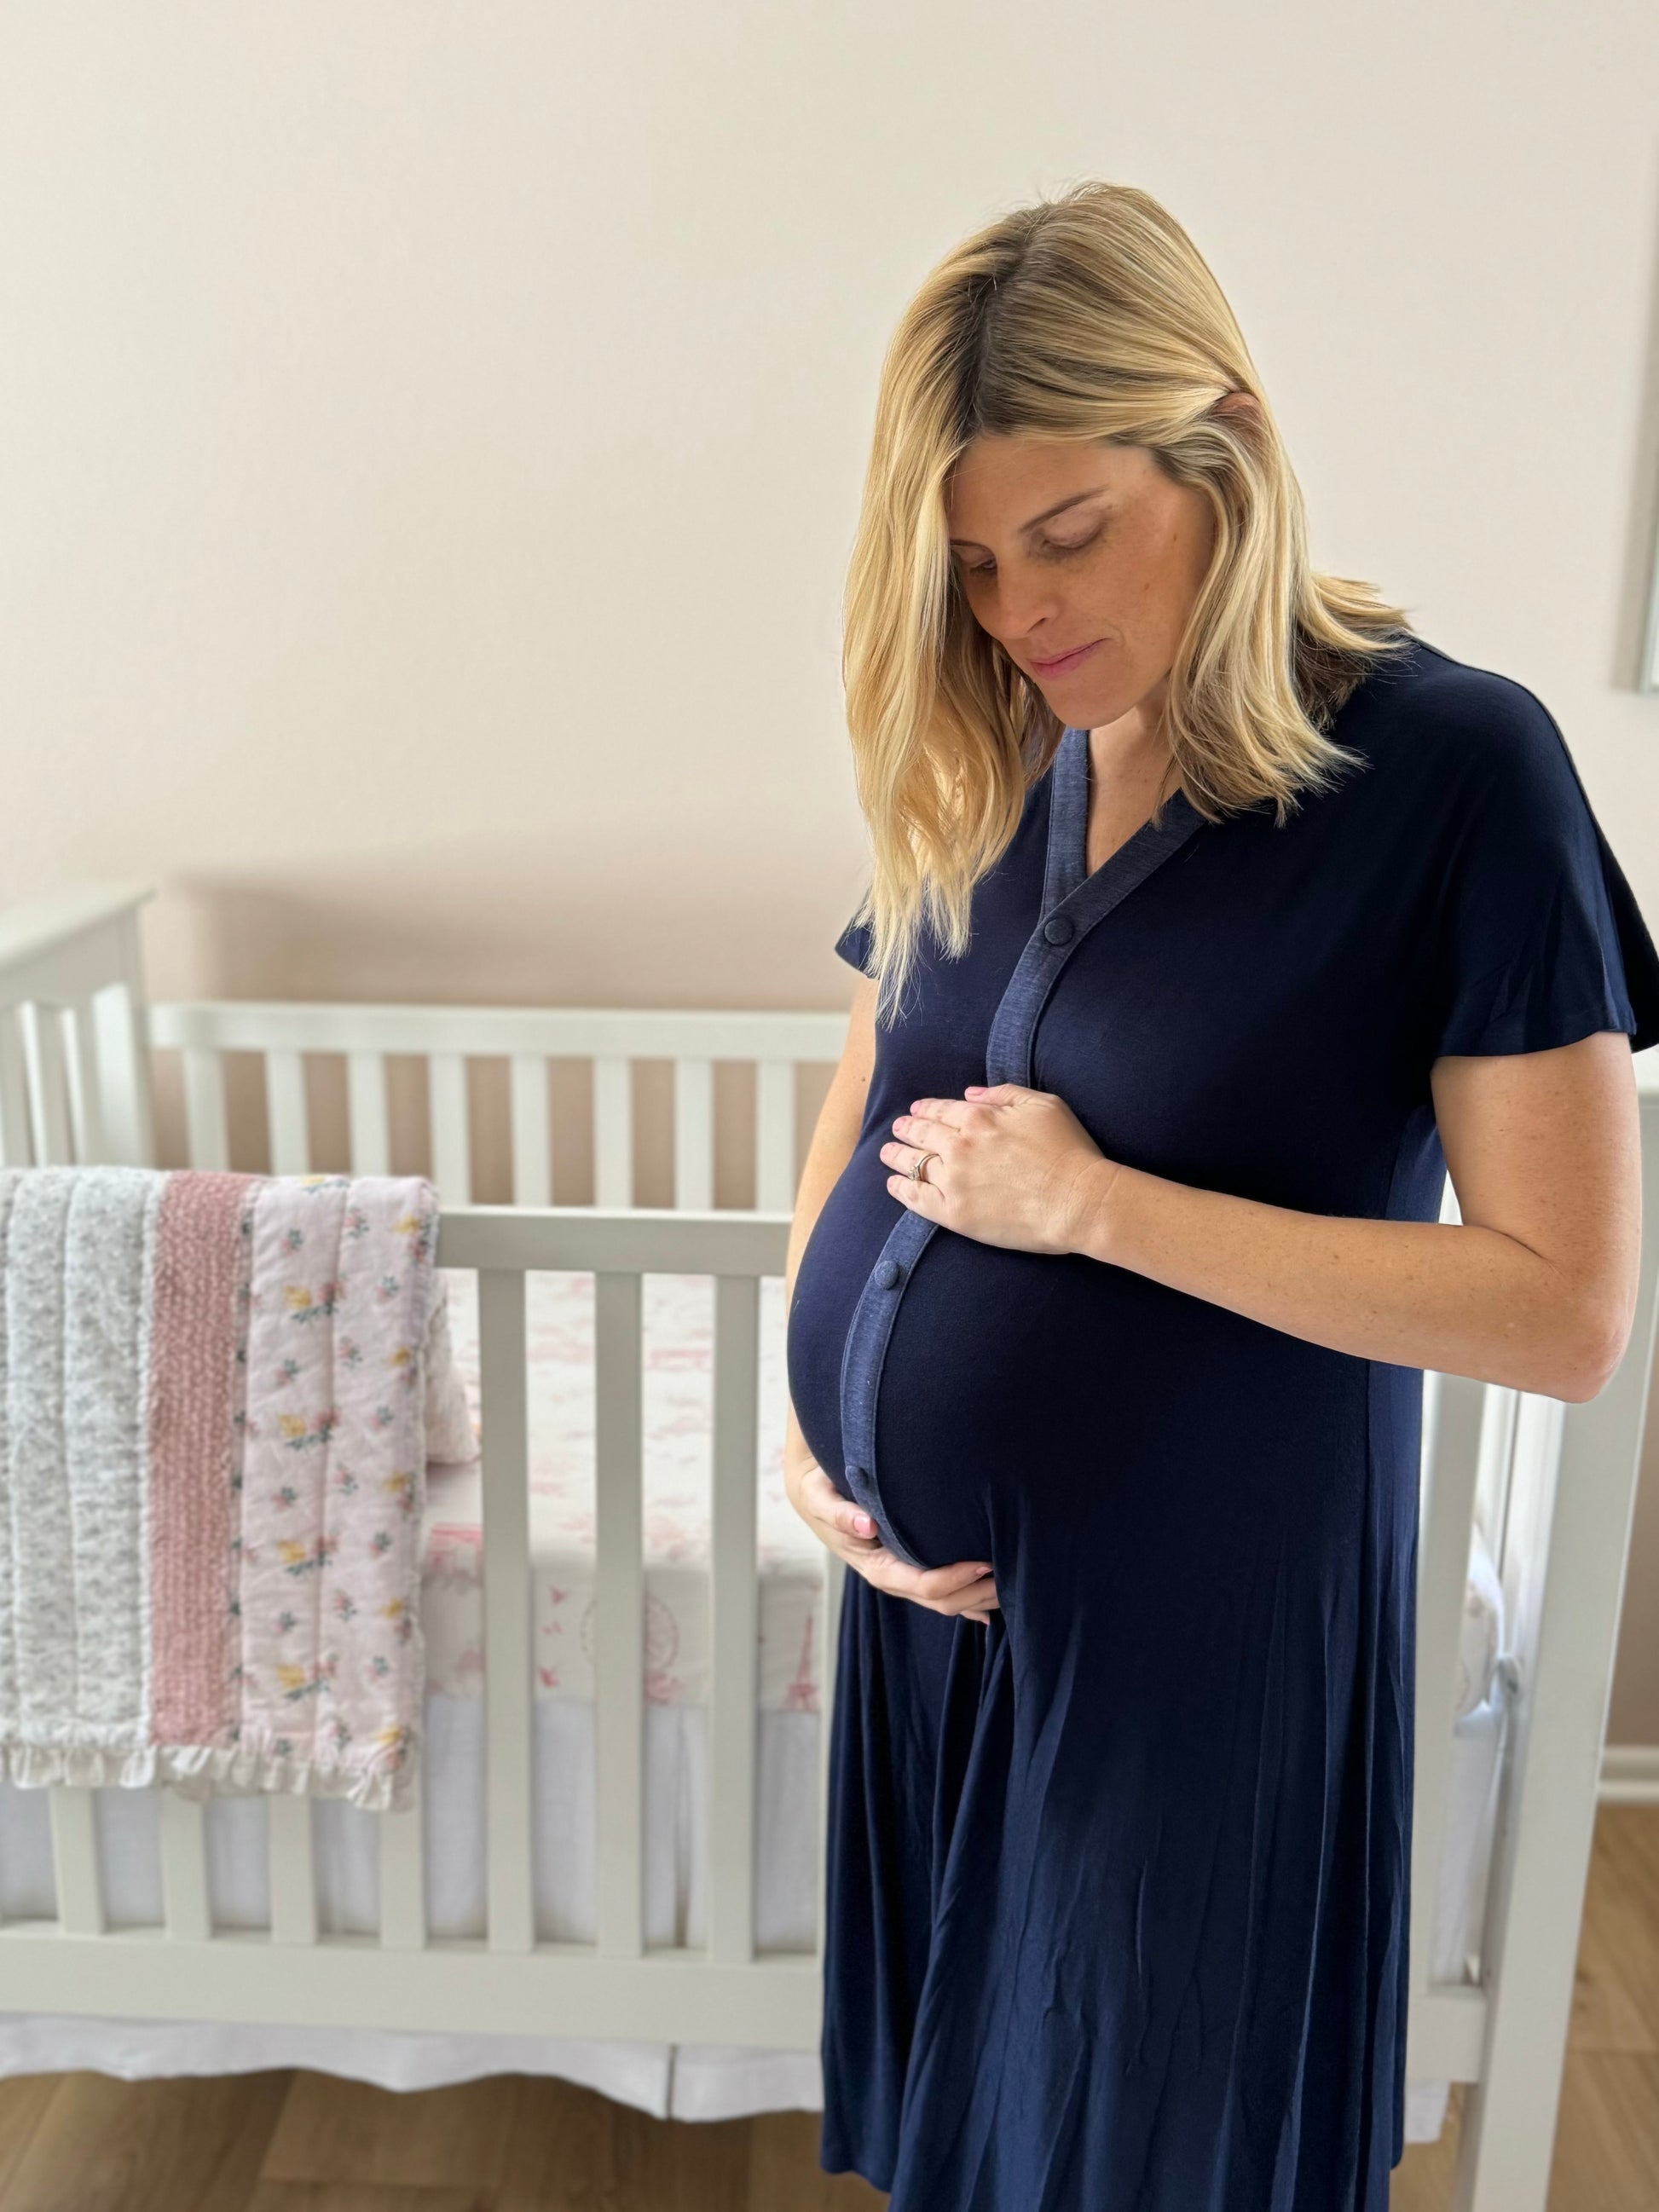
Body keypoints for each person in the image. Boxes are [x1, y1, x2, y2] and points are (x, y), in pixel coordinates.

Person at [781, 179, 1659, 2211]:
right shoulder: (1001, 738)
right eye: (976, 563)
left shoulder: (1455, 771)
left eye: (1069, 536)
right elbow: (868, 1070)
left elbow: (1564, 1307)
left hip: (1198, 1640)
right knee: (975, 2149)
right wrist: (802, 1424)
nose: (1021, 611)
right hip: (939, 1628)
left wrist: (1102, 1210)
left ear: (1228, 445)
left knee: (1137, 2156)